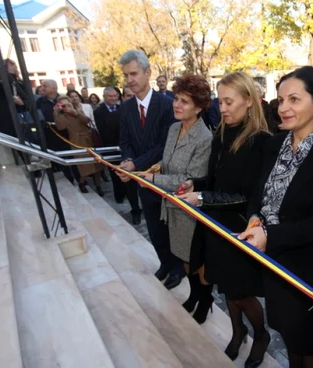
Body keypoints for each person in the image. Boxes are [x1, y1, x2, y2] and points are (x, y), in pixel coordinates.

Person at [238, 66, 313, 368]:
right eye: (280, 100)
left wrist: (271, 235)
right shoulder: (274, 143)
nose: (284, 108)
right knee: (288, 332)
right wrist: (253, 219)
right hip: (272, 260)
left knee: (308, 337)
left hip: (307, 265)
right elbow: (258, 193)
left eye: (294, 99)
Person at [177, 71, 272, 365]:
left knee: (241, 291)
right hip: (214, 226)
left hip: (240, 229)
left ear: (248, 101)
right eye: (220, 102)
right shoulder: (220, 132)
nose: (223, 108)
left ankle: (261, 334)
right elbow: (216, 180)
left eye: (229, 101)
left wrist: (202, 198)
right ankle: (236, 331)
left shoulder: (261, 141)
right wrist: (197, 184)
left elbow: (246, 195)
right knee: (226, 287)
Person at [138, 74, 213, 293]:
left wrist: (153, 179)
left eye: (184, 101)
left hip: (187, 210)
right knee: (180, 255)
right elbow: (167, 159)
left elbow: (190, 179)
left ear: (198, 108)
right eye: (176, 98)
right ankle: (192, 293)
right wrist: (156, 167)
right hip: (168, 206)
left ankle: (202, 299)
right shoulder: (174, 128)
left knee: (193, 259)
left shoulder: (204, 138)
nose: (177, 105)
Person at [115, 50, 177, 287]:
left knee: (170, 226)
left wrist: (136, 164)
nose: (129, 80)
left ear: (148, 72)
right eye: (126, 75)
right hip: (141, 181)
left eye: (134, 73)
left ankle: (177, 269)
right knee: (152, 225)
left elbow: (165, 145)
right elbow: (125, 141)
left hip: (164, 178)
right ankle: (164, 264)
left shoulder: (168, 105)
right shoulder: (127, 108)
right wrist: (126, 161)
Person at [94, 87, 142, 224]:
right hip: (123, 154)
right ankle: (135, 210)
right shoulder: (117, 114)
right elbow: (108, 134)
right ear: (124, 97)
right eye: (128, 95)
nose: (132, 98)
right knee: (129, 185)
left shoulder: (144, 111)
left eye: (134, 95)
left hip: (143, 155)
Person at [53, 95, 105, 195]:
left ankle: (98, 185)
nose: (66, 107)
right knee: (84, 167)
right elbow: (61, 127)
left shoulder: (77, 110)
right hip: (77, 142)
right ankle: (81, 183)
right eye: (63, 105)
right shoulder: (61, 115)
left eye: (67, 104)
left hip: (89, 139)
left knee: (97, 164)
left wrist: (75, 112)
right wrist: (56, 113)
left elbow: (86, 120)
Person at [38, 79, 79, 184]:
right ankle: (69, 179)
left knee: (72, 157)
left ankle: (80, 180)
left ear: (54, 88)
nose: (42, 88)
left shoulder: (64, 100)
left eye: (45, 86)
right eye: (42, 86)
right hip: (50, 135)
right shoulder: (40, 101)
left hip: (66, 134)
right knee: (59, 159)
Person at [0, 58, 29, 138]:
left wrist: (22, 103)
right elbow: (6, 88)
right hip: (7, 114)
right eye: (8, 65)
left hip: (21, 112)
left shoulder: (20, 82)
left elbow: (27, 98)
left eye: (12, 64)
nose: (12, 67)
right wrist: (8, 74)